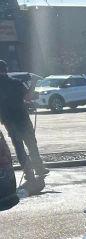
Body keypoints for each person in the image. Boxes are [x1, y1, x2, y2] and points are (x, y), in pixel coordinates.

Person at [0, 59, 46, 194]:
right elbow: (29, 97)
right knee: (32, 144)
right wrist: (34, 82)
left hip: (9, 121)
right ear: (6, 69)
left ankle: (29, 173)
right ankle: (39, 168)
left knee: (19, 148)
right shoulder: (15, 83)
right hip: (23, 119)